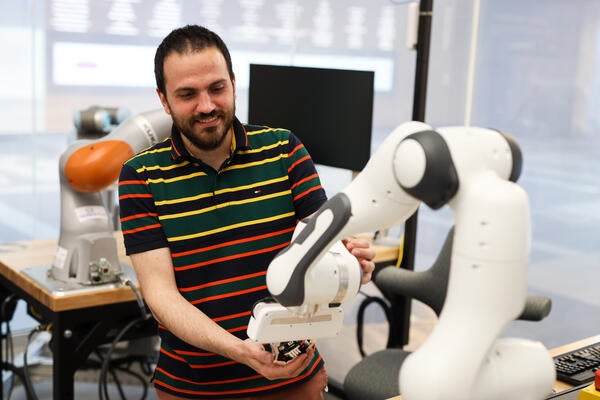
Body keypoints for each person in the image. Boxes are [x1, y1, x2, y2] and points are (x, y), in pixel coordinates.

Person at [118, 24, 376, 400]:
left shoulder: (284, 150)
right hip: (194, 389)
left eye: (217, 88)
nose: (206, 106)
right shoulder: (140, 176)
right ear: (163, 98)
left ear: (234, 83)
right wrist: (239, 350)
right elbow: (161, 295)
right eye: (187, 94)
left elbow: (318, 252)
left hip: (293, 380)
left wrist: (352, 267)